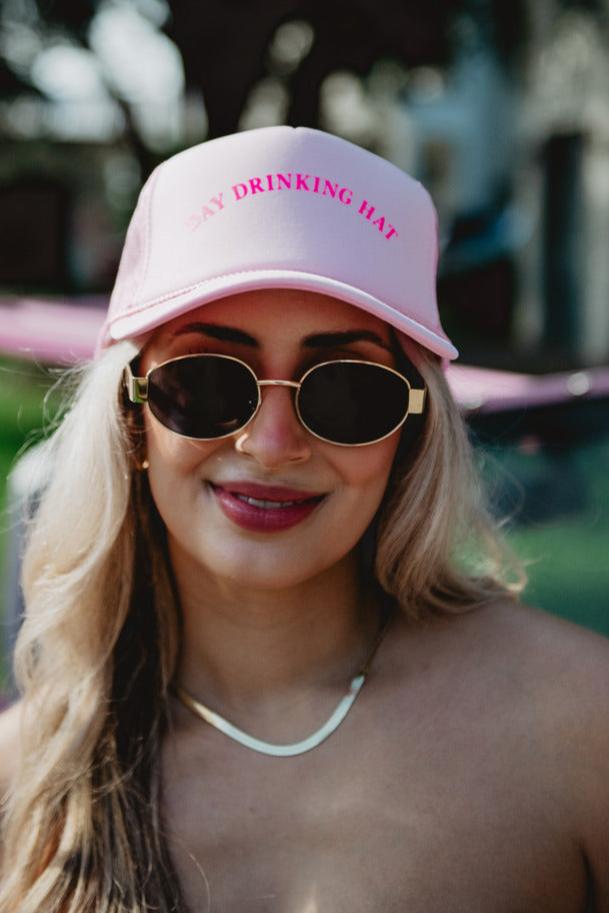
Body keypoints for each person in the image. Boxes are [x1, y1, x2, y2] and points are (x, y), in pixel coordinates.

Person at [0, 125, 608, 913]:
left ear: (411, 429)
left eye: (348, 391)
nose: (271, 444)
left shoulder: (577, 725)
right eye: (208, 382)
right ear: (131, 413)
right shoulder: (22, 780)